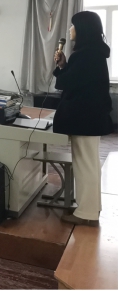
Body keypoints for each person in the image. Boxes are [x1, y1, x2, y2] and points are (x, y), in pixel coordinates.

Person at [53, 11, 113, 227]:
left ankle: (86, 213)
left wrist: (62, 70)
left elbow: (67, 83)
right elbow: (77, 79)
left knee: (85, 164)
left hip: (84, 117)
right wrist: (64, 65)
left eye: (73, 26)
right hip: (91, 117)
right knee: (90, 163)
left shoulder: (85, 54)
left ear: (83, 29)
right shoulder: (94, 52)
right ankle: (91, 207)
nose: (70, 30)